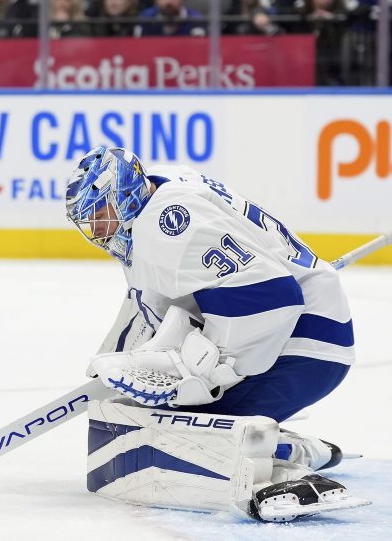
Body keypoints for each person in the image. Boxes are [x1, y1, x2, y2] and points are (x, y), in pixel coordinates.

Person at [66, 146, 366, 522]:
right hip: (304, 327)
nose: (96, 230)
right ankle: (291, 444)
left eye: (100, 215)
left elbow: (274, 297)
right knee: (157, 413)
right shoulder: (163, 189)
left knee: (177, 429)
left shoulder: (166, 222)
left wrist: (207, 370)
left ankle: (290, 471)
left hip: (308, 345)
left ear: (124, 193)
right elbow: (166, 298)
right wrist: (127, 354)